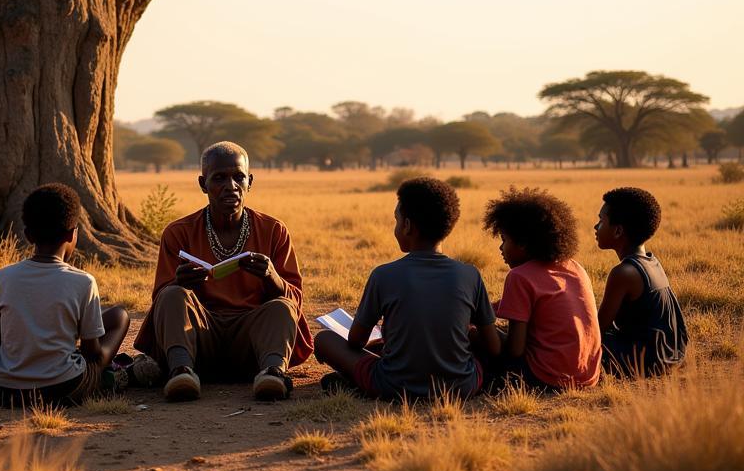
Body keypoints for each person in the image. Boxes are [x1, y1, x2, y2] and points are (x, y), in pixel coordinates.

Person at [134, 141, 313, 402]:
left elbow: (295, 301)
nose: (231, 186)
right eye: (219, 178)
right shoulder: (179, 232)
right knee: (172, 295)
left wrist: (271, 276)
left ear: (249, 181)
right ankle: (181, 372)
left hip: (251, 343)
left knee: (282, 307)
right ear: (202, 184)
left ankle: (272, 373)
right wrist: (180, 282)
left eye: (238, 177)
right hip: (199, 340)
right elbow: (161, 301)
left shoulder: (274, 230)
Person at [314, 176, 499, 402]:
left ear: (408, 226)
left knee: (325, 340)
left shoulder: (383, 275)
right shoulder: (470, 274)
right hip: (461, 387)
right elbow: (493, 347)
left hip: (392, 386)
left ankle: (353, 382)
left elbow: (355, 342)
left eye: (397, 220)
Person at [0, 183, 130, 408]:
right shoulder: (83, 281)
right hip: (62, 388)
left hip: (5, 391)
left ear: (27, 235)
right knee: (120, 316)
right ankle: (108, 377)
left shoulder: (3, 276)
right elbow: (91, 351)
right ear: (72, 234)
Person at [482, 187, 601, 391]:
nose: (500, 248)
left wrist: (483, 331)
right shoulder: (574, 267)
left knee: (478, 339)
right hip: (588, 375)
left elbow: (515, 350)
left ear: (524, 243)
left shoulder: (519, 276)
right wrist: (484, 310)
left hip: (547, 378)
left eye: (504, 239)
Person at [595, 187, 688, 377]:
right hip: (671, 354)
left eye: (601, 221)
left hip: (646, 361)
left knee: (578, 343)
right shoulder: (651, 262)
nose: (596, 227)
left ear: (618, 231)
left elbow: (598, 329)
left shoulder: (623, 273)